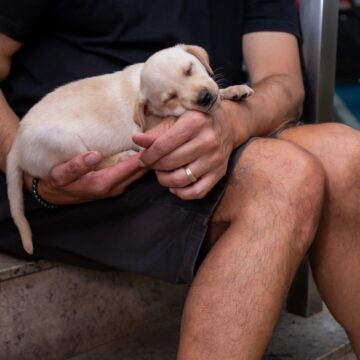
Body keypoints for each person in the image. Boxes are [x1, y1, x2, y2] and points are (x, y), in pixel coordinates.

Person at [0, 1, 359, 358]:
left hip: (210, 136)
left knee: (347, 154)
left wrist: (234, 124)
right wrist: (35, 178)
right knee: (282, 179)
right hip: (58, 173)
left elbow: (285, 83)